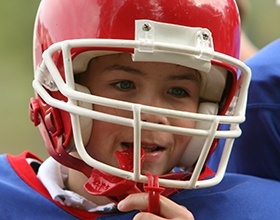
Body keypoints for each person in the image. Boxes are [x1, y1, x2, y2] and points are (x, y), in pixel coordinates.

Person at [1, 0, 280, 219]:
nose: (151, 113)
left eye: (178, 91)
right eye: (124, 84)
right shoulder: (8, 198)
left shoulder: (260, 208)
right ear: (61, 91)